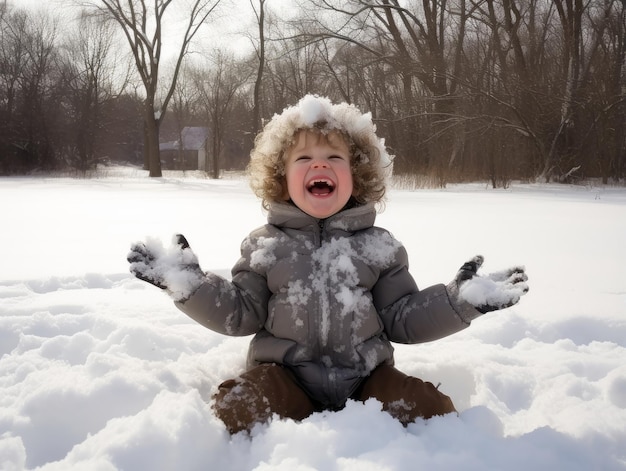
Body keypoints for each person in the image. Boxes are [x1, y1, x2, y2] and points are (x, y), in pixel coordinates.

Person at [127, 94, 529, 434]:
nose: (319, 165)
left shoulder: (379, 247)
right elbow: (241, 314)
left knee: (431, 408)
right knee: (236, 404)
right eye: (304, 158)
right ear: (282, 179)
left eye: (333, 156)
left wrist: (460, 303)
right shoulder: (264, 246)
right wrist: (190, 287)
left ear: (356, 175)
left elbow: (402, 318)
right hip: (286, 378)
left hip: (366, 382)